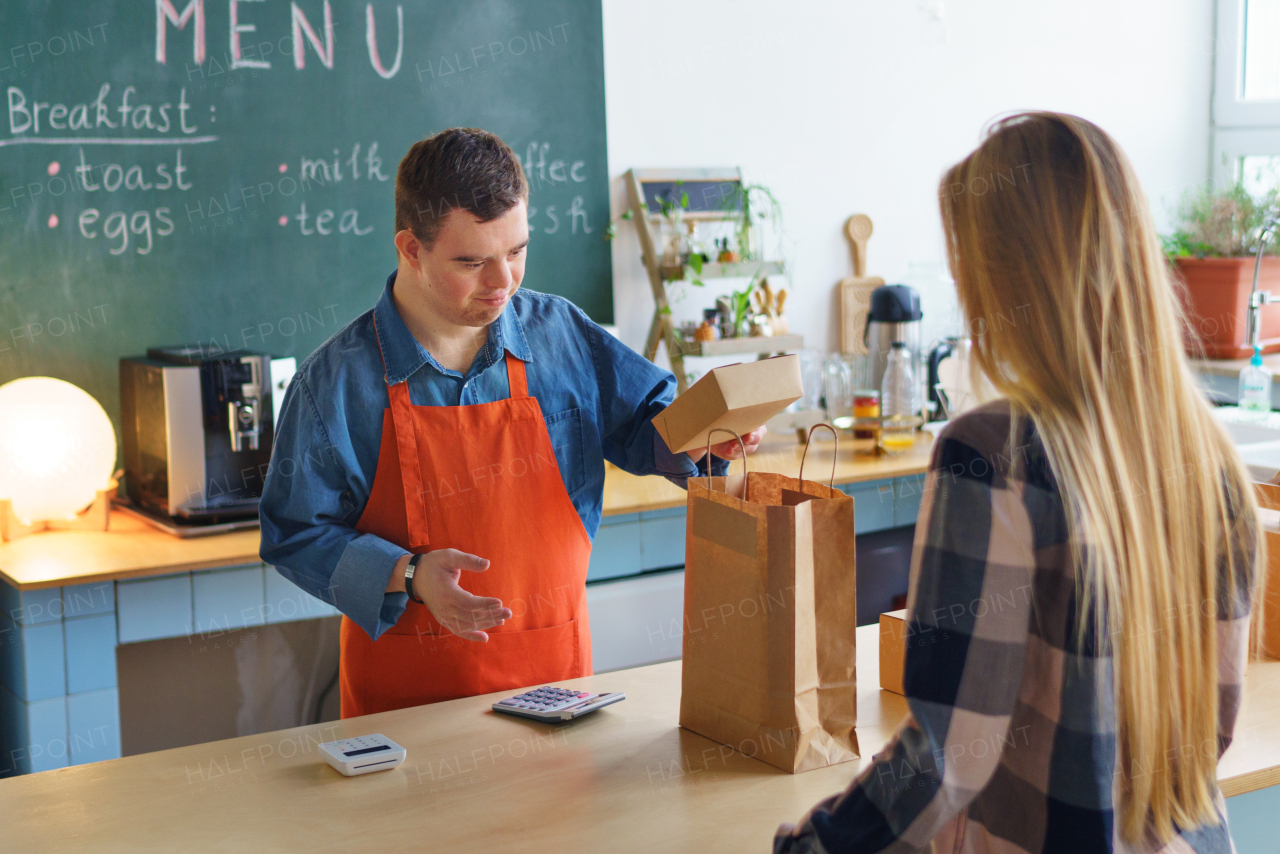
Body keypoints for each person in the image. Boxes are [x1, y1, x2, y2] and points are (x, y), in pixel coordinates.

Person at [776, 112, 1263, 853]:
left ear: (1012, 275)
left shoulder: (992, 456)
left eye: (966, 260)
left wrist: (815, 846)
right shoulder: (1215, 466)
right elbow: (1210, 732)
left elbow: (947, 756)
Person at [259, 127, 765, 718]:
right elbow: (294, 532)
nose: (503, 283)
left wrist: (711, 431)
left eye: (517, 251)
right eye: (472, 261)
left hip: (558, 696)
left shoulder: (561, 335)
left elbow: (648, 428)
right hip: (408, 720)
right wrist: (411, 573)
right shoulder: (336, 383)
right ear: (411, 248)